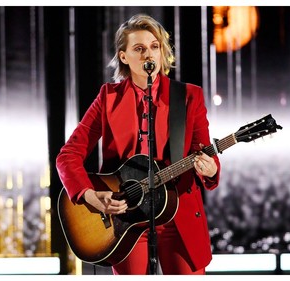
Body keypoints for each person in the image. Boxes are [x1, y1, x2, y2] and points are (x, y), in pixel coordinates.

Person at [56, 13, 221, 275]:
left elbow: (204, 154)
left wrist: (211, 170)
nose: (149, 55)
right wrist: (90, 196)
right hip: (126, 220)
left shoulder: (189, 97)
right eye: (139, 49)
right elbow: (68, 156)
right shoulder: (108, 98)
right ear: (124, 57)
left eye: (155, 47)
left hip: (178, 216)